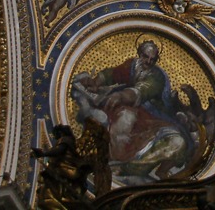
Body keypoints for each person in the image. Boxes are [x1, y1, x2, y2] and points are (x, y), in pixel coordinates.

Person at [71, 40, 194, 183]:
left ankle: (130, 167)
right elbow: (113, 73)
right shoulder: (132, 65)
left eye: (152, 59)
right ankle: (111, 159)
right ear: (140, 53)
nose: (148, 61)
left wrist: (121, 96)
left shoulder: (157, 76)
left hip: (152, 116)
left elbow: (144, 89)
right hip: (128, 108)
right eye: (146, 57)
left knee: (177, 141)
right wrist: (96, 82)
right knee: (123, 118)